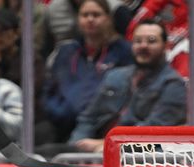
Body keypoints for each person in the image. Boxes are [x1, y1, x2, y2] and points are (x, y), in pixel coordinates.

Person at [38, 19, 186, 156]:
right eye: (138, 41)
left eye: (151, 41)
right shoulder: (115, 76)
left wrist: (106, 143)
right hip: (99, 147)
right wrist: (76, 146)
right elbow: (89, 117)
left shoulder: (173, 84)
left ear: (165, 46)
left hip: (144, 153)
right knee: (47, 152)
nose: (143, 45)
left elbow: (153, 131)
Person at [40, 0, 132, 145]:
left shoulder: (124, 51)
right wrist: (59, 113)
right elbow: (50, 88)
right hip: (61, 124)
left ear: (108, 18)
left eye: (96, 15)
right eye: (85, 15)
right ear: (78, 19)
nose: (90, 19)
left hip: (100, 126)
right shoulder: (66, 51)